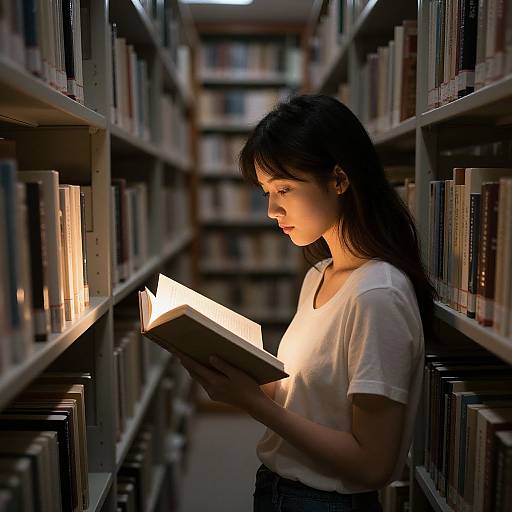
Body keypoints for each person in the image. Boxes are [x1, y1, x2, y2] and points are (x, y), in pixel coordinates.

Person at [174, 94, 434, 511]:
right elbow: (310, 401)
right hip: (278, 488)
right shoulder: (319, 275)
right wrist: (238, 368)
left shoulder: (377, 296)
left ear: (339, 180)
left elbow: (372, 466)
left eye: (285, 189)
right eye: (265, 192)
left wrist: (252, 403)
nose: (272, 210)